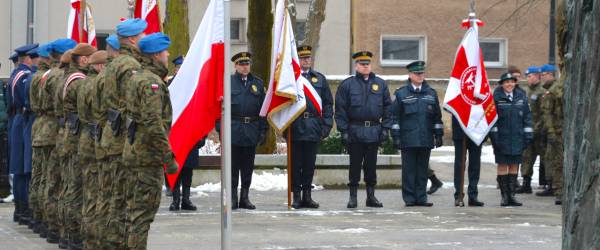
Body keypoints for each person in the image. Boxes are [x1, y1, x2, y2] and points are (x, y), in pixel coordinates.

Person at [122, 32, 176, 250]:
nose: (168, 55)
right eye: (165, 51)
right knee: (142, 216)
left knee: (134, 214)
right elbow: (153, 123)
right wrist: (168, 157)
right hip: (146, 157)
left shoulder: (138, 76)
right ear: (156, 55)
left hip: (137, 152)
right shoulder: (151, 83)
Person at [99, 18, 146, 249]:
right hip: (121, 136)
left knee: (112, 194)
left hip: (112, 132)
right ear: (132, 39)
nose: (144, 38)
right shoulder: (129, 66)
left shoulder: (115, 64)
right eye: (142, 35)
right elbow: (132, 101)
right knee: (122, 197)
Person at [335, 51, 392, 208]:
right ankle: (353, 197)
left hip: (374, 130)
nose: (365, 66)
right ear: (356, 66)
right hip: (355, 131)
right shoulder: (347, 85)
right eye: (362, 64)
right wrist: (344, 130)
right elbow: (340, 110)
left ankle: (371, 196)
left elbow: (388, 108)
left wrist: (385, 128)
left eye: (367, 64)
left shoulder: (380, 84)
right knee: (354, 166)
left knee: (371, 167)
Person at [216, 52, 267, 210]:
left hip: (251, 128)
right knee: (232, 167)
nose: (245, 67)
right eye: (242, 64)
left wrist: (263, 130)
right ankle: (232, 197)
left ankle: (245, 197)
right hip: (234, 129)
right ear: (235, 66)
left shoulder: (257, 83)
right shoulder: (228, 82)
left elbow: (263, 109)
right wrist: (220, 129)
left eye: (247, 64)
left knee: (247, 167)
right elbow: (219, 109)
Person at [391, 60, 443, 207]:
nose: (420, 76)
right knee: (409, 171)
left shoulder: (431, 94)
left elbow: (437, 117)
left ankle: (421, 198)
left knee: (422, 170)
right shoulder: (401, 94)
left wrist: (438, 134)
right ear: (410, 74)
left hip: (425, 137)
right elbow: (394, 117)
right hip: (408, 138)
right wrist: (395, 136)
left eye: (422, 73)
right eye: (417, 73)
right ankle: (409, 198)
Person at [288, 45, 334, 209]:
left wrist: (326, 126)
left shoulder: (319, 79)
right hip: (295, 126)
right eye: (302, 58)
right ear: (297, 60)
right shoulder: (290, 79)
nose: (305, 60)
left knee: (309, 165)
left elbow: (328, 104)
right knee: (295, 165)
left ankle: (307, 196)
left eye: (308, 57)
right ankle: (296, 196)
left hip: (314, 127)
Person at [41, 39, 77, 245]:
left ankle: (53, 228)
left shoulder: (49, 75)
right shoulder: (68, 78)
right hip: (66, 130)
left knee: (52, 180)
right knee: (65, 182)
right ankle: (64, 231)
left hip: (54, 127)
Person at [62, 43, 97, 250]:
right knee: (78, 189)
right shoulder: (79, 81)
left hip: (70, 134)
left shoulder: (70, 78)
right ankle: (74, 236)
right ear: (83, 60)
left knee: (70, 186)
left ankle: (69, 235)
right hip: (78, 136)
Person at [489, 72, 532, 207]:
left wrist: (528, 135)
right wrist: (495, 138)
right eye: (507, 82)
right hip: (502, 138)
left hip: (517, 138)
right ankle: (504, 197)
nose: (510, 84)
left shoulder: (521, 97)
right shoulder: (496, 98)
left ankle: (512, 196)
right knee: (502, 165)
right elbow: (492, 120)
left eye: (512, 82)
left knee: (514, 166)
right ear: (502, 84)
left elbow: (527, 118)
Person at [78, 50, 106, 249]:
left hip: (85, 136)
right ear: (100, 66)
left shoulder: (83, 82)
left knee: (88, 190)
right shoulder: (97, 84)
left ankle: (87, 237)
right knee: (97, 191)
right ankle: (94, 239)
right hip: (97, 137)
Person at [8, 43, 38, 225]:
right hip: (22, 119)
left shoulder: (17, 74)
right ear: (28, 59)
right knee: (23, 169)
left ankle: (21, 210)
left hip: (18, 119)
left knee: (20, 168)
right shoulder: (25, 76)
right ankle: (24, 210)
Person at [94, 34, 118, 244]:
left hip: (100, 136)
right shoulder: (112, 76)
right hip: (112, 137)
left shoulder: (97, 79)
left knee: (101, 190)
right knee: (111, 194)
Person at [27, 43, 52, 235]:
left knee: (40, 176)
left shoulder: (35, 76)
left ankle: (38, 219)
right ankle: (48, 222)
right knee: (52, 180)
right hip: (53, 129)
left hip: (39, 125)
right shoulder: (53, 77)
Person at [536, 64, 564, 205]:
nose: (542, 78)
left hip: (559, 131)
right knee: (556, 161)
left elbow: (548, 114)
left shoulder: (555, 89)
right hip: (557, 131)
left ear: (552, 75)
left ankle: (559, 190)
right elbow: (547, 114)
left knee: (558, 161)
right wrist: (551, 131)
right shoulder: (553, 90)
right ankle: (558, 190)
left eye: (544, 75)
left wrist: (551, 131)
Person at [517, 66, 545, 194]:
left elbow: (544, 113)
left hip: (539, 131)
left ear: (537, 76)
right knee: (526, 157)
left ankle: (547, 183)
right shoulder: (526, 92)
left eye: (530, 76)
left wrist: (538, 128)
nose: (528, 79)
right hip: (527, 130)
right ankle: (526, 183)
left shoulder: (542, 92)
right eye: (527, 77)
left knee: (545, 157)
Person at [451, 116, 484, 207]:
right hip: (460, 131)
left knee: (475, 164)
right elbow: (448, 106)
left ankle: (473, 195)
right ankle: (458, 195)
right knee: (460, 165)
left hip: (477, 130)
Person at [165, 54, 184, 198]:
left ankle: (183, 186)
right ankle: (170, 185)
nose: (180, 70)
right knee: (170, 155)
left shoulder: (190, 83)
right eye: (178, 67)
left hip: (183, 124)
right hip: (170, 124)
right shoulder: (168, 83)